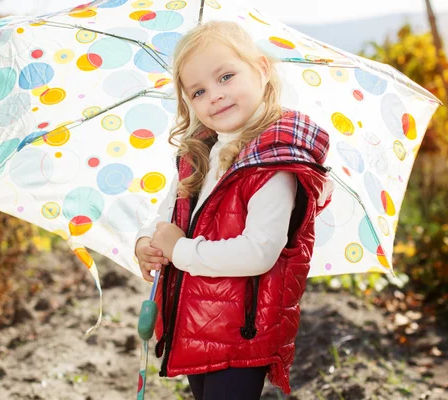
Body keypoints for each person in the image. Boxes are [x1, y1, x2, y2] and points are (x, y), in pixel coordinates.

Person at [134, 20, 332, 400]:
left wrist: (180, 250)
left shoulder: (272, 165)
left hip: (242, 332)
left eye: (226, 76)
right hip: (195, 325)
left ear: (260, 69)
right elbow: (169, 216)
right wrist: (148, 241)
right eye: (199, 91)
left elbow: (258, 252)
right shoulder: (201, 154)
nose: (215, 96)